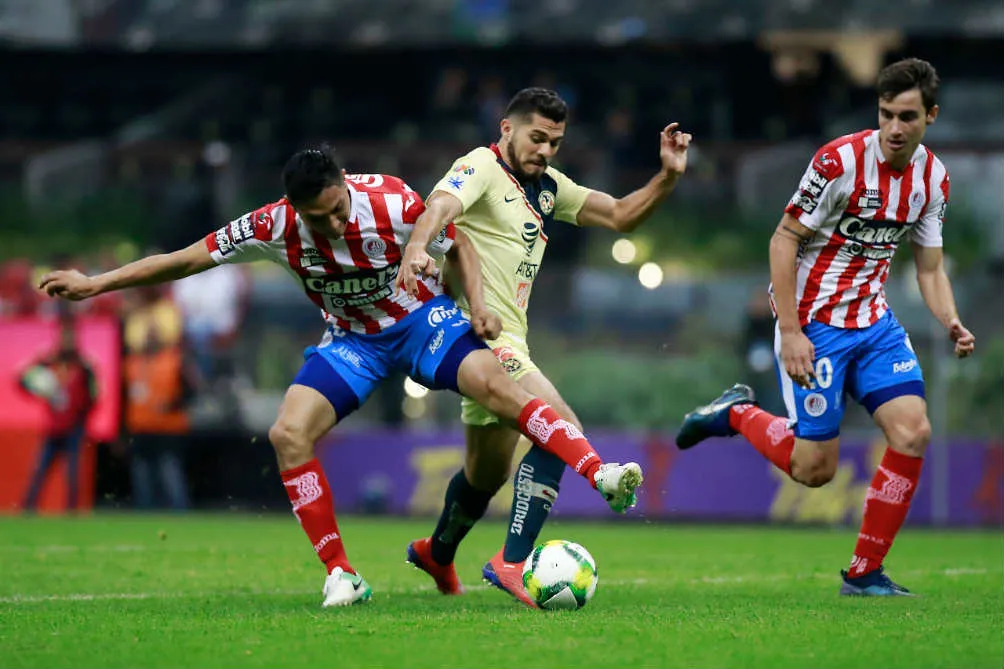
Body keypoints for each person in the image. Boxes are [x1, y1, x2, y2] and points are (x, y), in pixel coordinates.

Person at [38, 145, 644, 608]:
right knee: (287, 434)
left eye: (335, 210)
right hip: (353, 341)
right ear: (293, 208)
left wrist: (478, 306)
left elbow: (458, 245)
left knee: (499, 388)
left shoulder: (390, 201)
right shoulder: (271, 225)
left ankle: (601, 473)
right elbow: (184, 259)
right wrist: (96, 284)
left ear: (345, 184)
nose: (329, 224)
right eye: (316, 218)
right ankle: (342, 574)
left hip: (420, 321)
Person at [675, 58, 975, 596]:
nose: (894, 127)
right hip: (816, 324)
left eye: (907, 116)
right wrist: (791, 332)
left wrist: (950, 319)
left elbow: (929, 268)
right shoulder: (838, 162)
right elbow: (783, 239)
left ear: (931, 116)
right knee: (815, 470)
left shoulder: (933, 179)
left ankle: (864, 574)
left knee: (914, 432)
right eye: (886, 114)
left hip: (875, 324)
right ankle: (735, 413)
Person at [396, 87, 691, 606]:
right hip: (477, 336)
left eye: (555, 142)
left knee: (486, 474)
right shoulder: (481, 166)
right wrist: (418, 246)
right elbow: (440, 204)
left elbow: (619, 215)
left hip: (510, 339)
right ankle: (511, 562)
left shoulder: (550, 187)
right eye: (537, 138)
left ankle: (436, 553)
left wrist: (667, 177)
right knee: (561, 427)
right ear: (507, 129)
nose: (546, 150)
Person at [20, 312, 98, 512]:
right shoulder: (48, 362)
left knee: (72, 473)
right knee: (40, 471)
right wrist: (38, 387)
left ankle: (71, 511)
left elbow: (94, 395)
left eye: (71, 336)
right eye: (64, 336)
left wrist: (82, 415)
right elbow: (22, 379)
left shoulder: (84, 364)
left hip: (74, 427)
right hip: (53, 426)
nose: (67, 340)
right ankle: (28, 508)